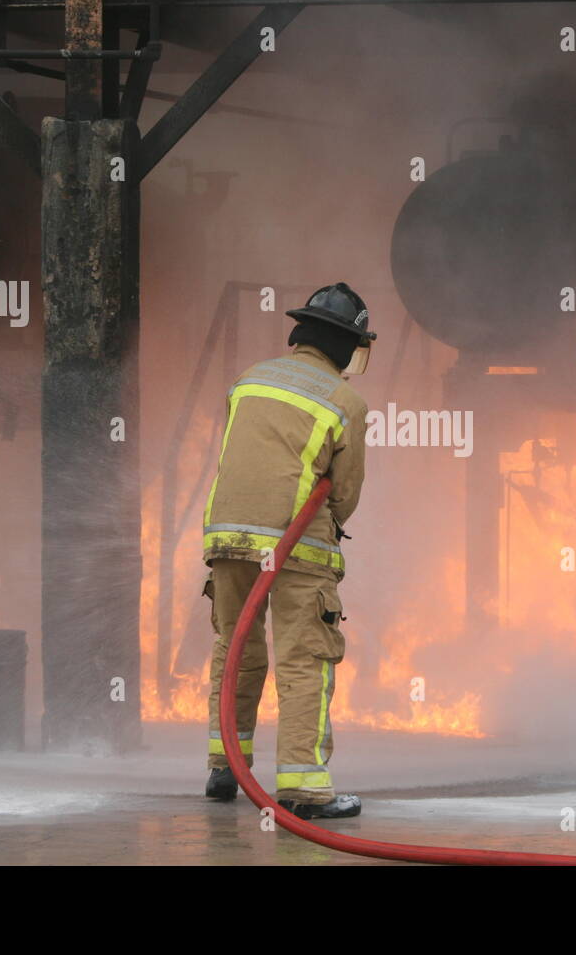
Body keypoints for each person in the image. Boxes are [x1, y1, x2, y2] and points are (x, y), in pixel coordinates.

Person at [201, 282, 373, 818]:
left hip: (226, 536)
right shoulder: (345, 401)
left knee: (235, 649)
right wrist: (320, 525)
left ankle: (226, 767)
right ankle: (304, 790)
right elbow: (343, 495)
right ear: (346, 346)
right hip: (297, 545)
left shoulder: (247, 381)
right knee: (306, 657)